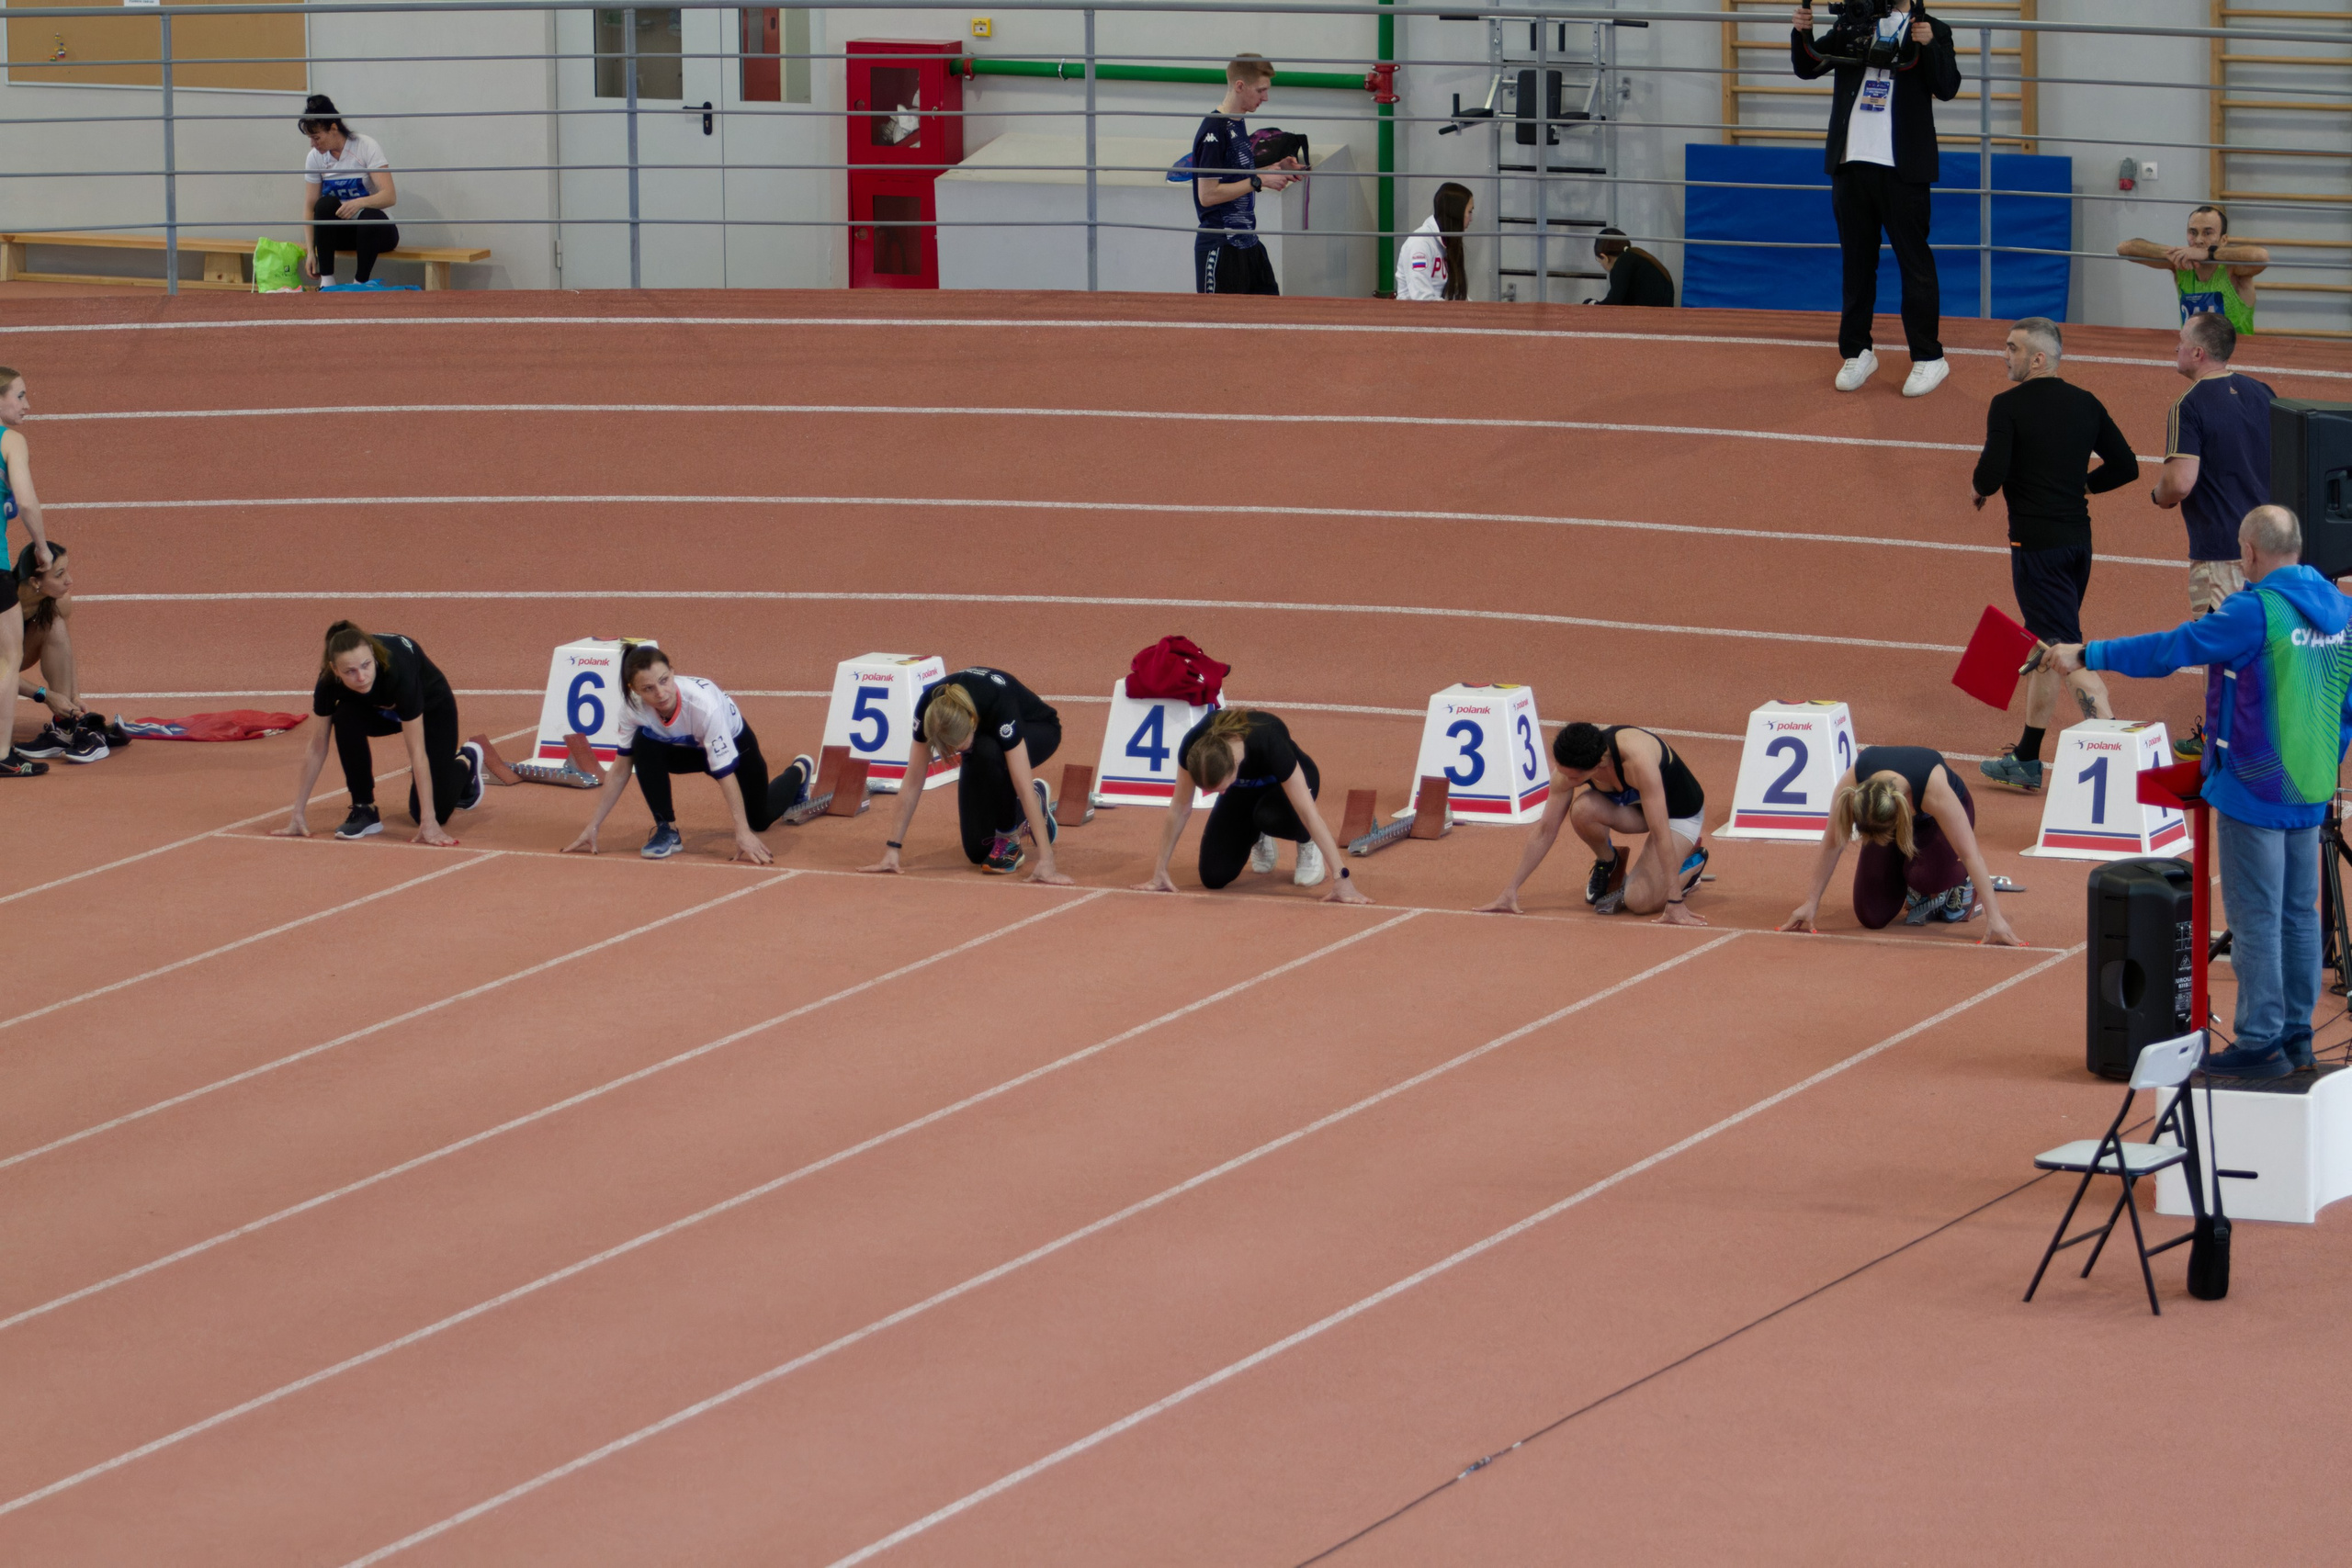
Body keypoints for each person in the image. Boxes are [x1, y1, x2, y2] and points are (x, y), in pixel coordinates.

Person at [2045, 505, 2352, 1077]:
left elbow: (2172, 650)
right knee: (2298, 916)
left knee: (2257, 918)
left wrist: (2088, 654)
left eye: (2241, 547)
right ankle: (2297, 1037)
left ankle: (2261, 1042)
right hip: (2308, 791)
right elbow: (2347, 706)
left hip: (2254, 793)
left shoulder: (2254, 610)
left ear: (2254, 552)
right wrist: (2318, 762)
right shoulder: (2343, 614)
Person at [1971, 316, 2135, 792]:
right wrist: (2083, 482)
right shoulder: (2086, 403)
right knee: (2045, 643)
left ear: (2037, 358)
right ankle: (2026, 756)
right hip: (2077, 545)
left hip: (2036, 548)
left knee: (2067, 650)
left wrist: (1980, 488)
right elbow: (2124, 466)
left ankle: (2119, 762)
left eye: (2011, 348)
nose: (2004, 354)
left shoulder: (2007, 406)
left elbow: (1989, 475)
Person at [1790, 0, 1962, 398]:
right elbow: (1808, 66)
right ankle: (1857, 351)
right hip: (1851, 165)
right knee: (1856, 264)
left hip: (1903, 168)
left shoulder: (1932, 27)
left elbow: (1947, 87)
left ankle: (1928, 356)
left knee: (1914, 264)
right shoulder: (1854, 22)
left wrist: (1930, 43)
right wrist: (1802, 33)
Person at [563, 643, 812, 863]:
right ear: (635, 690)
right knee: (643, 743)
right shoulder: (633, 710)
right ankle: (667, 830)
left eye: (664, 681)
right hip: (684, 751)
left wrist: (742, 832)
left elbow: (725, 773)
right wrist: (592, 826)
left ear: (672, 672)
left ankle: (799, 772)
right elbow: (620, 769)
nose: (660, 694)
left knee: (759, 820)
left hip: (736, 745)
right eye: (648, 688)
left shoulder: (704, 707)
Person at [1780, 745, 2023, 944]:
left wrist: (1996, 917)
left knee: (1925, 877)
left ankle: (1963, 884)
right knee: (1871, 916)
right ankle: (1909, 872)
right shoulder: (1854, 784)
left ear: (1901, 812)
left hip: (1937, 822)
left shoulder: (1932, 789)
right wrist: (1811, 902)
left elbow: (1971, 854)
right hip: (1891, 816)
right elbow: (1833, 841)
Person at [1475, 723, 1708, 925]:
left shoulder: (1638, 760)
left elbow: (1660, 832)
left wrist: (1674, 899)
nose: (1568, 781)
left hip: (1677, 814)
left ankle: (1691, 863)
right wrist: (1511, 889)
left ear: (1599, 765)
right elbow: (1545, 830)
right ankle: (1610, 863)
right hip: (1636, 810)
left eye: (1575, 778)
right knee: (1582, 810)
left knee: (1639, 901)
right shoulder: (1571, 764)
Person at [275, 620, 481, 845]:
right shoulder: (328, 682)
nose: (361, 677)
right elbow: (317, 746)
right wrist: (297, 813)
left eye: (366, 665)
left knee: (434, 812)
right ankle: (364, 809)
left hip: (432, 710)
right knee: (344, 715)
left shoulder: (398, 670)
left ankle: (465, 762)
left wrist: (428, 821)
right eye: (350, 671)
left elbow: (417, 752)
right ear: (334, 669)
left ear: (373, 655)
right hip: (380, 710)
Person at [1136, 706, 1368, 903]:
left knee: (1269, 817)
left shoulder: (1268, 740)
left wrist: (1342, 878)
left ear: (1236, 763)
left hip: (1284, 788)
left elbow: (1309, 814)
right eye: (1217, 792)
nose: (1222, 793)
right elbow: (1179, 808)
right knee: (1214, 877)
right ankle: (1257, 834)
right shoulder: (1194, 748)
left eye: (1222, 788)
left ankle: (1306, 842)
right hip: (1245, 790)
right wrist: (1160, 871)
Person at [863, 666, 1070, 883]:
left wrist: (1047, 861)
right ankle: (1025, 809)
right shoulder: (929, 712)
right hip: (983, 743)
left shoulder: (997, 702)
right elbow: (914, 779)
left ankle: (1009, 839)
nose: (957, 753)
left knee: (988, 751)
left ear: (972, 723)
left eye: (960, 746)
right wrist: (893, 848)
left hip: (1038, 729)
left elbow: (1022, 785)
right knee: (977, 851)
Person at [2157, 313, 2274, 623]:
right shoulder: (2262, 392)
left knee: (2220, 653)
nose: (2176, 349)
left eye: (2181, 342)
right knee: (2265, 649)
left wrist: (2160, 496)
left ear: (2198, 353)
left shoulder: (2189, 405)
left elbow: (2180, 483)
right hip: (2269, 548)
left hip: (2222, 553)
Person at [1191, 54, 1302, 295]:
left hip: (1248, 242)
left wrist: (1274, 169)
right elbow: (1207, 196)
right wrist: (1258, 180)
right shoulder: (1214, 130)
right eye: (1260, 90)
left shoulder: (1237, 123)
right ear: (1240, 86)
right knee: (1224, 327)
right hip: (1221, 246)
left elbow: (1233, 176)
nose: (1266, 98)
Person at [0, 365, 57, 778]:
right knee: (6, 658)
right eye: (19, 396)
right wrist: (41, 548)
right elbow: (28, 501)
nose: (27, 404)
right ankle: (2, 753)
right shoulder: (10, 440)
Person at [13, 541, 114, 764]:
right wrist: (44, 695)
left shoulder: (59, 602)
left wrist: (73, 696)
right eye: (59, 574)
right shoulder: (4, 605)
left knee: (55, 625)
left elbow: (64, 649)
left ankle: (65, 726)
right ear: (35, 582)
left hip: (9, 658)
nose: (69, 580)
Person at [2118, 204, 2269, 335]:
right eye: (2193, 232)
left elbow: (2261, 256)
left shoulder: (2234, 269)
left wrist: (2208, 254)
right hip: (2195, 356)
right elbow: (2125, 248)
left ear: (2223, 240)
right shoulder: (2181, 264)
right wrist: (2173, 253)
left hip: (2236, 356)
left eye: (2208, 233)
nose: (2198, 240)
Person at [300, 95, 401, 286]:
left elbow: (390, 195)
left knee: (369, 215)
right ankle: (327, 281)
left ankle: (359, 283)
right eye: (310, 139)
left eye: (316, 138)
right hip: (342, 235)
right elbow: (309, 207)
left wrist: (359, 203)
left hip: (376, 233)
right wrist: (310, 252)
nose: (313, 144)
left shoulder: (365, 146)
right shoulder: (315, 158)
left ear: (333, 128)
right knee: (324, 205)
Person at [1396, 182, 1472, 301]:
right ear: (1456, 213)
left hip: (1439, 314)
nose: (1471, 219)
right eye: (1469, 212)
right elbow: (1422, 299)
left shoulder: (1448, 244)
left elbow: (1456, 295)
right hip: (1416, 316)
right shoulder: (1420, 244)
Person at [1589, 227, 1675, 308]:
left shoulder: (1624, 261)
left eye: (1599, 260)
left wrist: (1591, 303)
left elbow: (1612, 304)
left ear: (1604, 257)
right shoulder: (1637, 258)